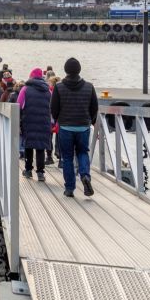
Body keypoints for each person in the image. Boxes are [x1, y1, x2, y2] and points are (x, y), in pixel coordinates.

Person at [51, 58, 99, 197]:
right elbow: (94, 107)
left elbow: (53, 108)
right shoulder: (89, 87)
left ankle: (70, 188)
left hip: (65, 127)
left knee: (67, 157)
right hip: (83, 127)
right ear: (79, 70)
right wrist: (89, 120)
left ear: (66, 70)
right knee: (83, 153)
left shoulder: (59, 87)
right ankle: (85, 176)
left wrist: (58, 120)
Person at [18, 68, 53, 181]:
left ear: (31, 77)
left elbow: (18, 105)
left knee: (28, 146)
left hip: (28, 121)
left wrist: (18, 121)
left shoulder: (25, 89)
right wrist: (52, 122)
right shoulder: (48, 90)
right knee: (40, 148)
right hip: (44, 122)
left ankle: (28, 170)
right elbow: (52, 107)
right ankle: (40, 173)